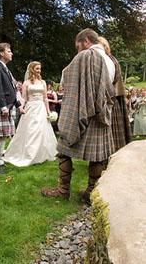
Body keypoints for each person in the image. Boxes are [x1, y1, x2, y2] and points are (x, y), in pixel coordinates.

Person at [41, 28, 115, 204]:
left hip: (83, 112)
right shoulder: (111, 60)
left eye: (78, 46)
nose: (78, 50)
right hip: (101, 114)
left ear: (86, 41)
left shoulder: (85, 56)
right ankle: (91, 193)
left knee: (63, 150)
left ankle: (62, 190)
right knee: (97, 156)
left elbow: (66, 80)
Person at [4, 61, 58, 166]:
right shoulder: (26, 83)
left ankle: (41, 154)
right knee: (31, 131)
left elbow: (45, 98)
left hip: (41, 109)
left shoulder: (43, 82)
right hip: (31, 108)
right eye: (37, 68)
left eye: (40, 68)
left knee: (41, 131)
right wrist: (21, 107)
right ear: (32, 69)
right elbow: (24, 98)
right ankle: (29, 154)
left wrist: (48, 112)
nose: (39, 70)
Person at [0, 42, 24, 173]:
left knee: (3, 135)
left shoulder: (5, 68)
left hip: (7, 106)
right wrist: (3, 106)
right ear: (1, 53)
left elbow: (12, 90)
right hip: (0, 106)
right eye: (9, 51)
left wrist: (18, 105)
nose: (11, 53)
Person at [98, 36, 131, 151]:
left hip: (112, 98)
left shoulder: (108, 60)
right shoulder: (111, 59)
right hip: (113, 97)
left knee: (113, 129)